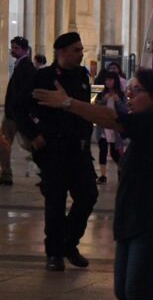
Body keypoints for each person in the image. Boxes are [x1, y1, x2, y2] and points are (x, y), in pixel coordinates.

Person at [33, 67, 153, 300]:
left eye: (136, 92)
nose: (130, 98)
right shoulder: (143, 129)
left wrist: (68, 103)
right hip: (131, 223)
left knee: (137, 291)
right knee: (124, 291)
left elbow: (112, 118)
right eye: (130, 91)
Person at [14, 32, 98, 271]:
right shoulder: (43, 77)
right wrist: (34, 135)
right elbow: (19, 107)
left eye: (81, 49)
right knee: (55, 202)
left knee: (88, 195)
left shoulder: (82, 76)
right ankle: (54, 254)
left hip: (78, 150)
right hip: (54, 150)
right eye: (76, 50)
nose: (81, 54)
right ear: (61, 52)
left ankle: (68, 243)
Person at [1, 36, 37, 185]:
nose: (13, 51)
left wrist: (19, 108)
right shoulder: (20, 65)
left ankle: (49, 169)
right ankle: (6, 174)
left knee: (31, 144)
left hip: (17, 114)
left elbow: (25, 91)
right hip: (13, 114)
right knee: (4, 142)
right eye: (12, 47)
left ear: (24, 50)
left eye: (16, 48)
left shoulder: (26, 67)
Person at [94, 71, 127, 184]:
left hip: (115, 128)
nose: (108, 82)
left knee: (114, 153)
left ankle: (122, 171)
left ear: (115, 81)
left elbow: (125, 110)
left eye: (111, 79)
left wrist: (117, 101)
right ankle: (103, 176)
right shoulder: (102, 93)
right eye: (106, 80)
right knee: (102, 150)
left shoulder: (121, 95)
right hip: (103, 127)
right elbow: (96, 107)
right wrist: (104, 100)